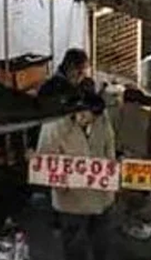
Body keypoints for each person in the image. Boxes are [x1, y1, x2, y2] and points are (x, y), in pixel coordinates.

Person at [36, 92, 115, 260]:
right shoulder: (54, 125)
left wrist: (112, 172)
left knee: (102, 242)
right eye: (84, 115)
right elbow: (45, 159)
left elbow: (109, 145)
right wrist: (59, 184)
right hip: (72, 200)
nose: (88, 120)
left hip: (102, 195)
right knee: (74, 245)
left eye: (93, 117)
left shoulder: (102, 118)